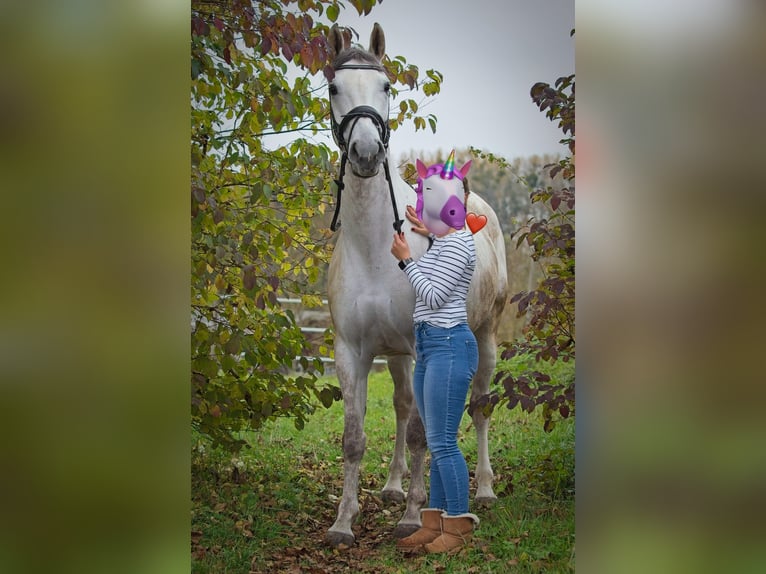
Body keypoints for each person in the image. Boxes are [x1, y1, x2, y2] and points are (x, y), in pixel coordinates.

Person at [390, 153, 480, 554]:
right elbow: (442, 241)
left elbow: (433, 292)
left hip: (449, 345)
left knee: (443, 442)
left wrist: (407, 261)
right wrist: (427, 228)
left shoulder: (459, 244)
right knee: (434, 437)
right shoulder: (448, 239)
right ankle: (434, 522)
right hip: (429, 347)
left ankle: (457, 530)